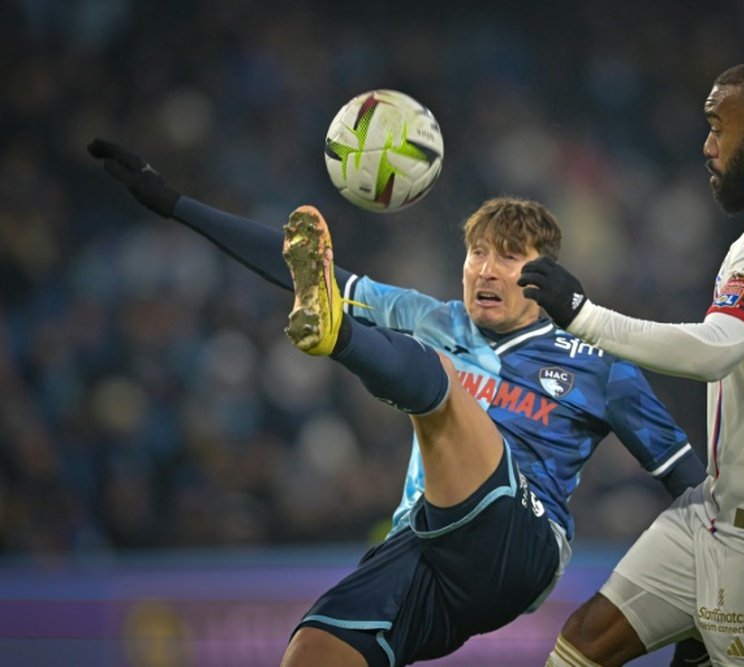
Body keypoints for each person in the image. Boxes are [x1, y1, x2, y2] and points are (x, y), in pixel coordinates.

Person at [87, 139, 711, 666]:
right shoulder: (434, 316)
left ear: (544, 277)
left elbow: (689, 487)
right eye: (477, 253)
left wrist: (701, 602)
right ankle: (338, 329)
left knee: (440, 378)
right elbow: (301, 271)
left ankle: (338, 337)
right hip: (422, 548)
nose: (487, 270)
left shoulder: (598, 364)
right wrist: (173, 205)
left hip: (521, 543)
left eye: (510, 257)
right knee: (313, 651)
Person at [519, 58, 744, 665]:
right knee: (582, 646)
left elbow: (717, 348)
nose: (707, 146)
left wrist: (582, 315)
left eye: (719, 127)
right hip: (720, 510)